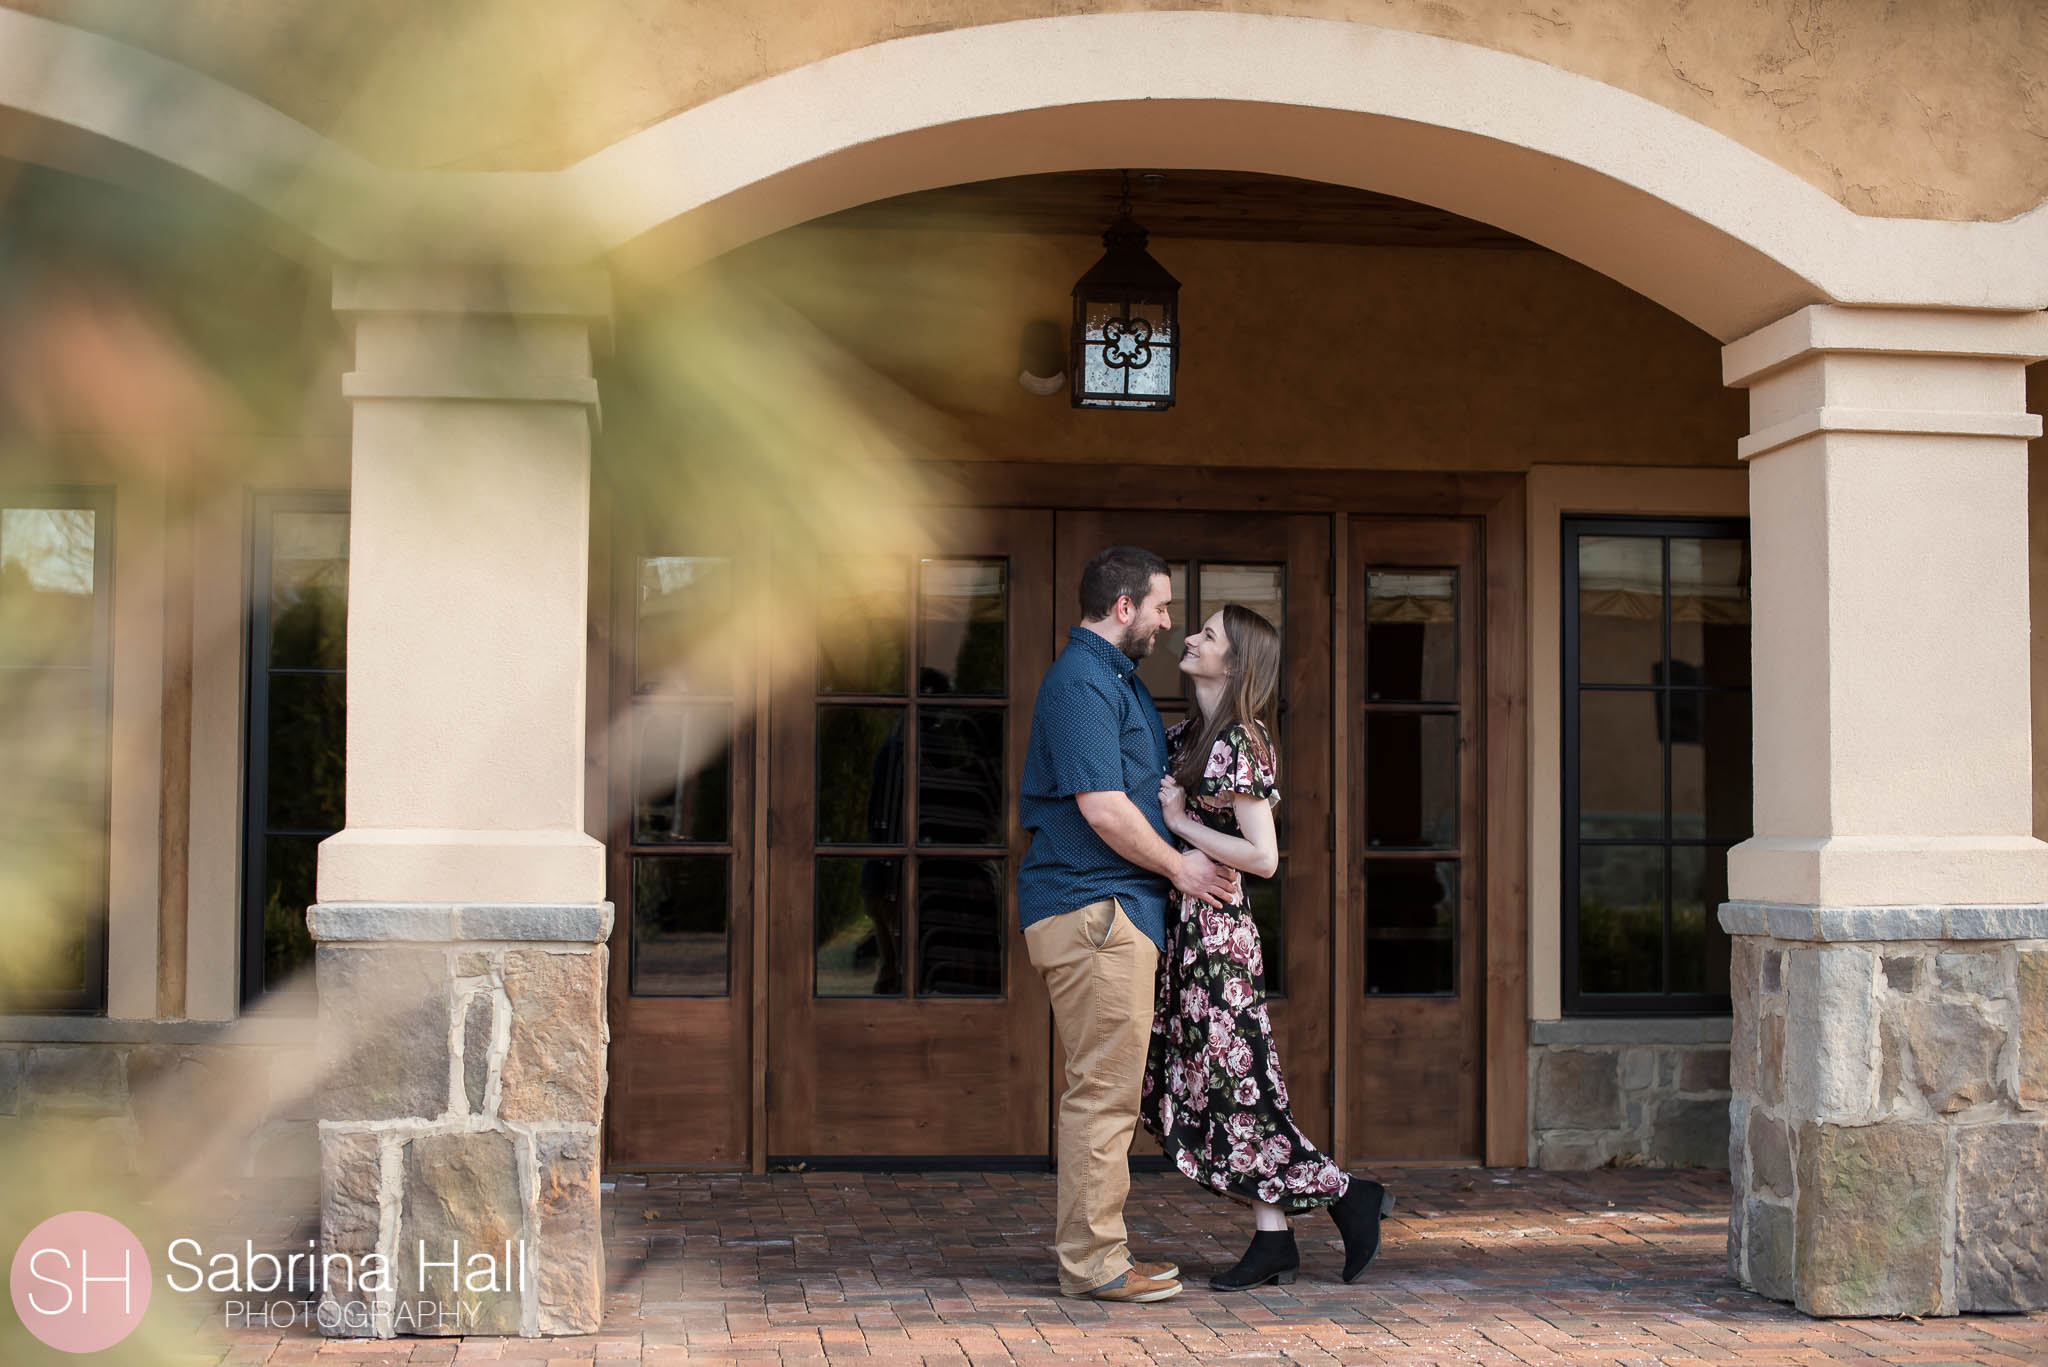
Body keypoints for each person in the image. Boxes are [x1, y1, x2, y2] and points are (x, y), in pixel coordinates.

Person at [1141, 603, 1394, 1290]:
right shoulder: (1192, 735)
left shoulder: (1240, 742)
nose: (1191, 637)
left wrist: (1178, 821)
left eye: (1209, 635)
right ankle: (1276, 1237)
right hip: (1191, 936)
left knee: (1240, 1090)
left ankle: (1343, 1194)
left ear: (1236, 662)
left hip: (1219, 940)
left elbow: (1264, 855)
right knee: (1222, 1090)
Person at [1018, 545, 1241, 1303]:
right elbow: (1104, 808)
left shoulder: (1112, 678)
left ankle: (1101, 1255)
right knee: (1102, 1096)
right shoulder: (1082, 681)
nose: (1168, 621)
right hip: (1094, 910)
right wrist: (1182, 868)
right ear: (1124, 608)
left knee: (1107, 1092)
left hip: (1107, 911)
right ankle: (1095, 1265)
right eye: (1161, 606)